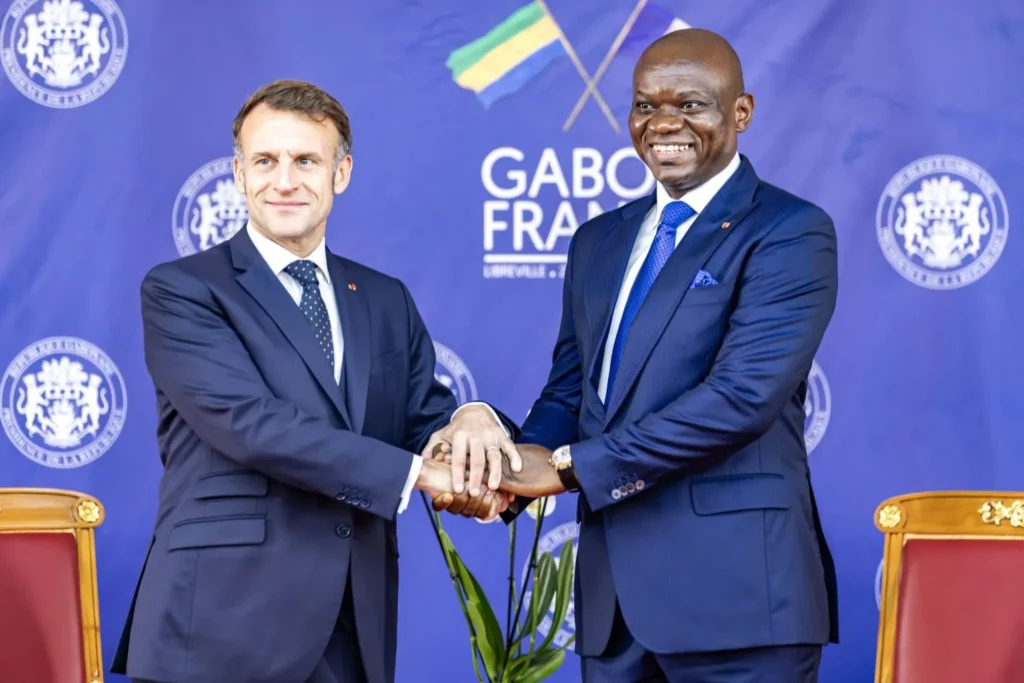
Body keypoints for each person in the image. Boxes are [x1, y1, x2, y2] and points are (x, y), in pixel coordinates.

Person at [433, 28, 840, 682]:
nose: (664, 123)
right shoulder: (598, 240)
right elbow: (572, 394)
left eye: (691, 104)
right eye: (646, 105)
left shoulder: (790, 231)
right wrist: (503, 472)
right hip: (615, 612)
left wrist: (566, 469)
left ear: (741, 112)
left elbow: (739, 401)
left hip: (740, 606)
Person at [110, 79, 520, 683]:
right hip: (221, 626)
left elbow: (423, 420)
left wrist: (471, 420)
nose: (284, 181)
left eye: (305, 160)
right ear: (239, 173)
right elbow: (253, 427)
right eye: (265, 161)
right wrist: (419, 474)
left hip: (353, 622)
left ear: (341, 172)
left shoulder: (384, 298)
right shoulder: (183, 290)